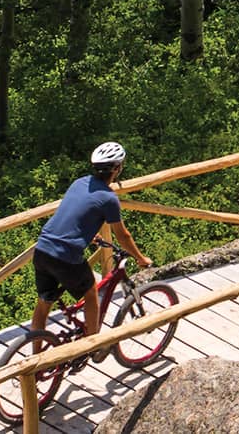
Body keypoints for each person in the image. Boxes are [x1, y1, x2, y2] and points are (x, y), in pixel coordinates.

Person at [29, 141, 151, 358]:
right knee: (92, 292)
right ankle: (94, 345)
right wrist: (140, 257)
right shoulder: (109, 198)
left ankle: (36, 358)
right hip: (66, 258)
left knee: (43, 302)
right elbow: (123, 236)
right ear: (117, 169)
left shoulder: (79, 183)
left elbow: (75, 213)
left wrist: (89, 233)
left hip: (42, 250)